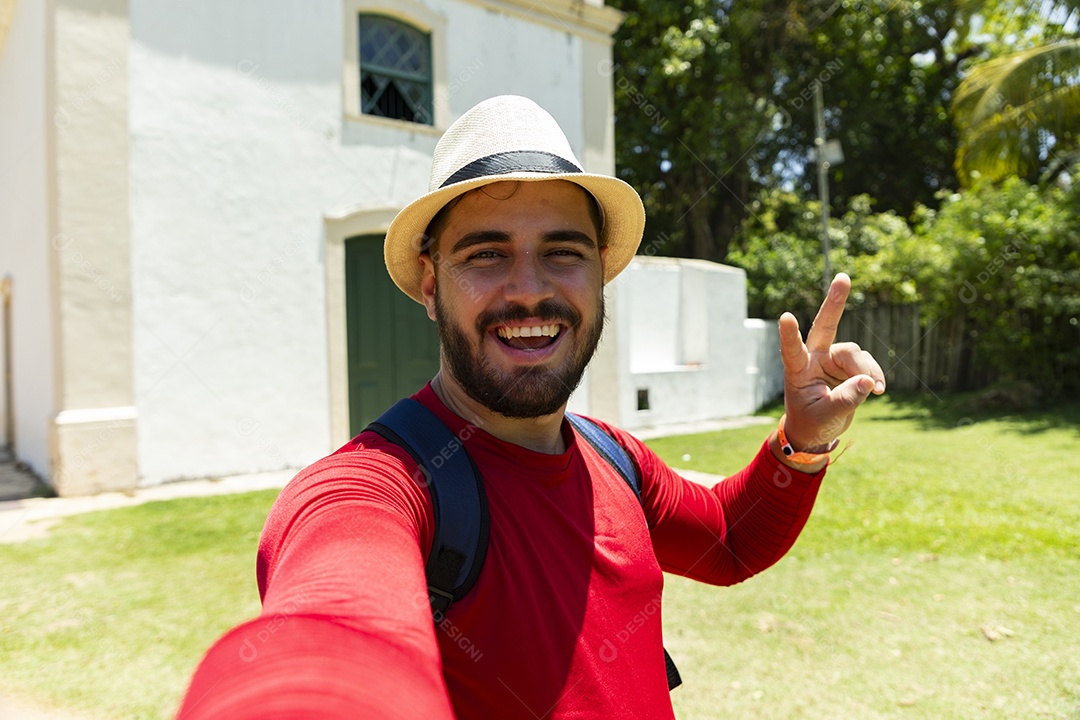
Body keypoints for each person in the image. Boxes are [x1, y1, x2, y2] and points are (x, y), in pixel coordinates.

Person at [176, 95, 885, 719]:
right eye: (486, 255)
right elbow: (329, 641)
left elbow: (729, 537)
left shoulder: (614, 456)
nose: (528, 290)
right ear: (430, 285)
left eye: (563, 252)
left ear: (600, 273)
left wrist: (803, 439)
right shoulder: (379, 488)